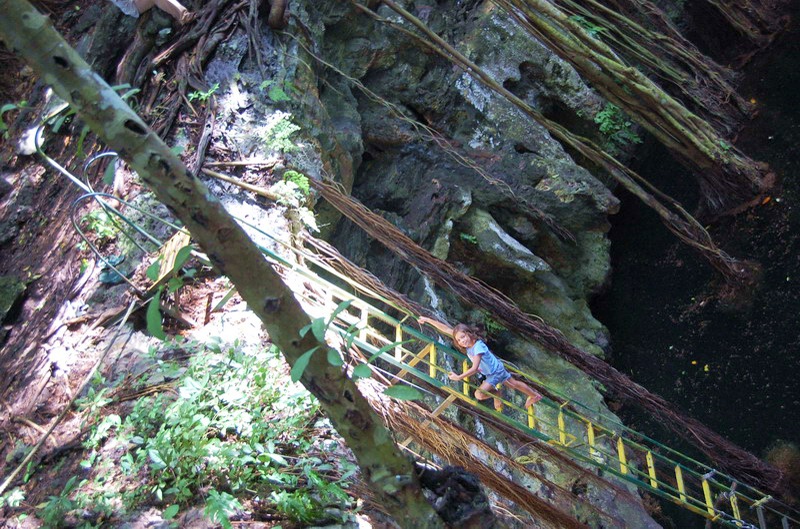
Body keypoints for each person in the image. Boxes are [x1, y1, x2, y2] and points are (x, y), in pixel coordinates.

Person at [418, 316, 542, 412]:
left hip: (495, 373)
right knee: (513, 384)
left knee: (481, 394)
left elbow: (474, 368)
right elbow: (445, 329)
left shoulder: (478, 347)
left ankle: (504, 394)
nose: (462, 341)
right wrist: (427, 319)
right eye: (459, 340)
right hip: (492, 371)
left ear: (469, 333)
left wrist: (459, 377)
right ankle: (527, 395)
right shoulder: (468, 344)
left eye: (463, 337)